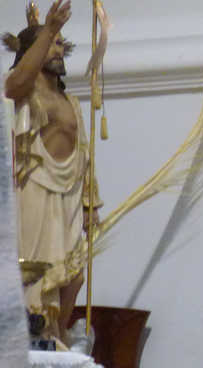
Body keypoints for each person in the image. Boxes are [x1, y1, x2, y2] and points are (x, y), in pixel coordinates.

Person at [3, 0, 99, 346]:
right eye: (51, 44)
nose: (58, 49)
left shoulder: (70, 102)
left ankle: (57, 335)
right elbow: (12, 86)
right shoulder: (24, 94)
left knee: (73, 277)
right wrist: (49, 28)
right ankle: (36, 337)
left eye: (60, 44)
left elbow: (84, 152)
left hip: (69, 190)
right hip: (35, 186)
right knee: (38, 273)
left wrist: (90, 202)